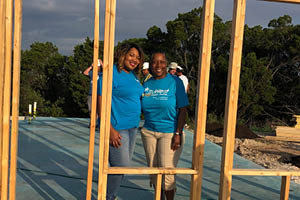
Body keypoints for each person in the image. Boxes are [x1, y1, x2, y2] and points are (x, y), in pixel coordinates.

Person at [97, 43, 144, 200]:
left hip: (132, 128)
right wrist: (109, 129)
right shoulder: (110, 75)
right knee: (120, 166)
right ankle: (107, 197)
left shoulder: (133, 77)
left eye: (138, 57)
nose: (135, 60)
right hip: (117, 127)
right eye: (131, 55)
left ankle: (109, 195)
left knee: (122, 167)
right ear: (123, 55)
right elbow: (100, 103)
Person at [141, 52, 189, 200]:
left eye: (162, 62)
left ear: (166, 64)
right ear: (150, 64)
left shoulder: (175, 82)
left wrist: (178, 133)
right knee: (154, 171)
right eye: (155, 62)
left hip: (170, 133)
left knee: (167, 173)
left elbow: (183, 109)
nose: (158, 65)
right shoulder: (146, 83)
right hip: (149, 132)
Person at [83, 59, 103, 128]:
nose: (97, 68)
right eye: (96, 66)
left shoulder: (101, 74)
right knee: (91, 109)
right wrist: (91, 66)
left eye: (98, 66)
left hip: (98, 94)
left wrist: (102, 64)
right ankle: (93, 122)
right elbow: (85, 72)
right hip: (91, 93)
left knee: (98, 109)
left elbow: (108, 72)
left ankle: (97, 123)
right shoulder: (92, 73)